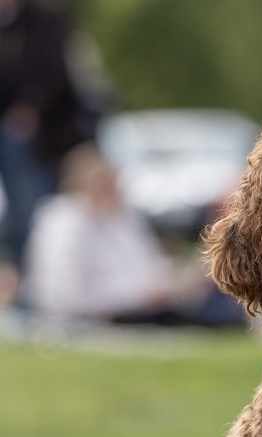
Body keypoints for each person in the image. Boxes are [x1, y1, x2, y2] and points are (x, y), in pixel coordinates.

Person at [26, 144, 175, 319]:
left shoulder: (123, 215)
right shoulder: (64, 220)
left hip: (138, 308)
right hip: (93, 317)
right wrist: (139, 294)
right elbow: (63, 294)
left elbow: (149, 267)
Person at [0, 0, 93, 273]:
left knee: (33, 213)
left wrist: (29, 107)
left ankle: (36, 275)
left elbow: (51, 73)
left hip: (38, 136)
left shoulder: (45, 20)